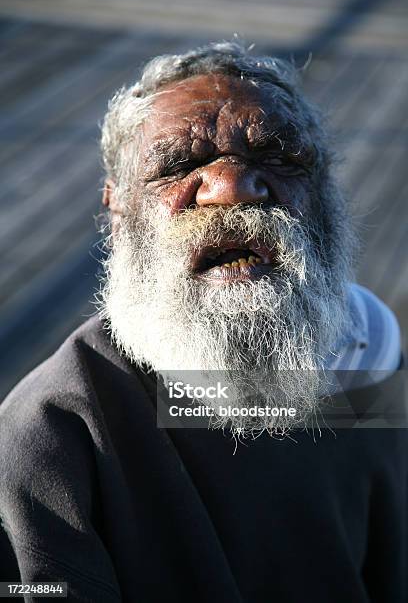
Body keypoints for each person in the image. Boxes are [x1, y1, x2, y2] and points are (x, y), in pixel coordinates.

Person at [0, 41, 406, 602]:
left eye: (280, 159)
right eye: (177, 167)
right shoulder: (51, 433)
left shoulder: (373, 359)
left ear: (324, 199)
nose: (233, 186)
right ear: (118, 212)